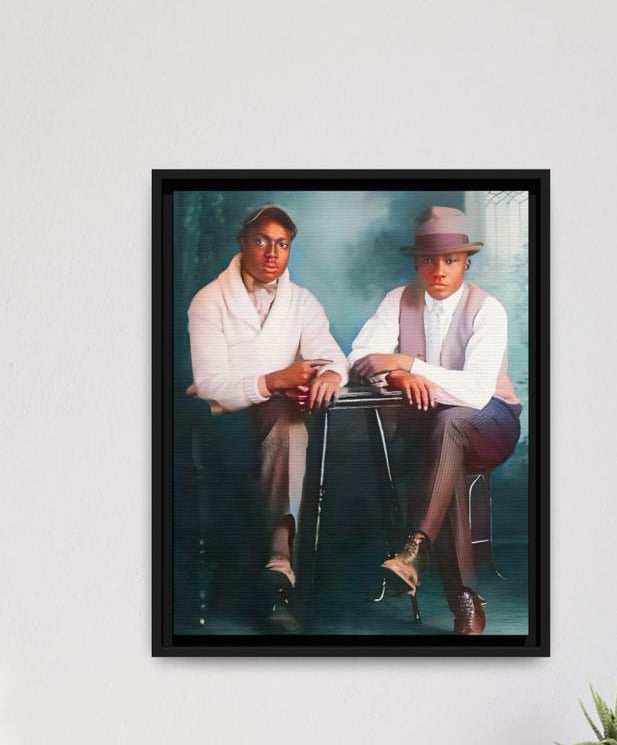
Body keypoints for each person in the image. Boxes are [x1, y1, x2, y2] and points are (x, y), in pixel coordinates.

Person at [347, 205, 521, 636]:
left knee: (453, 425)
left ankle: (415, 548)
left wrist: (409, 361)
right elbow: (358, 359)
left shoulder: (488, 309)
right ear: (416, 261)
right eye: (428, 259)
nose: (438, 269)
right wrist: (399, 375)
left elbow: (476, 392)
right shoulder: (398, 300)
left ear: (466, 260)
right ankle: (464, 599)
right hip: (432, 429)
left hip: (492, 423)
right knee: (446, 450)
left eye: (450, 259)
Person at [187, 204, 348, 631]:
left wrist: (331, 372)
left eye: (282, 243)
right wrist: (277, 378)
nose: (272, 252)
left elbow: (330, 352)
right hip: (225, 425)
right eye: (261, 240)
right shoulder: (209, 300)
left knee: (293, 418)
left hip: (279, 419)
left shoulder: (302, 301)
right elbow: (209, 383)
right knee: (287, 413)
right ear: (243, 243)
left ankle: (279, 564)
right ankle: (278, 565)